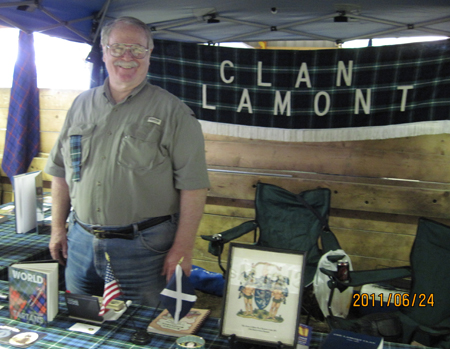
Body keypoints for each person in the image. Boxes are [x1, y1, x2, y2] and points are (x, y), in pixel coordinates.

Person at [44, 16, 210, 306]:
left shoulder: (174, 113)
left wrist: (182, 247)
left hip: (144, 251)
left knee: (141, 331)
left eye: (137, 50)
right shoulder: (81, 104)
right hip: (80, 242)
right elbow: (60, 171)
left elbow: (194, 188)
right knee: (80, 326)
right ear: (104, 52)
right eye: (118, 48)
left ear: (150, 54)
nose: (127, 57)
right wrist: (58, 227)